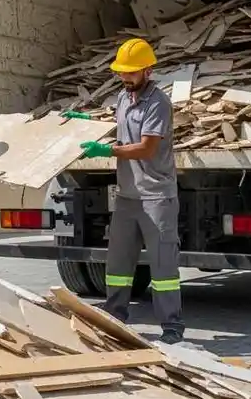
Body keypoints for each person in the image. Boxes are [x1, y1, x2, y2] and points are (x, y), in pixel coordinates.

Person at [63, 38, 184, 344]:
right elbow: (114, 124)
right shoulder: (122, 98)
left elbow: (146, 148)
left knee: (162, 265)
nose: (125, 77)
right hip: (129, 197)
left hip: (157, 196)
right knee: (118, 262)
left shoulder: (158, 103)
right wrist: (87, 122)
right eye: (122, 72)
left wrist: (107, 150)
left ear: (148, 69)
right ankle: (115, 315)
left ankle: (171, 326)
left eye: (131, 72)